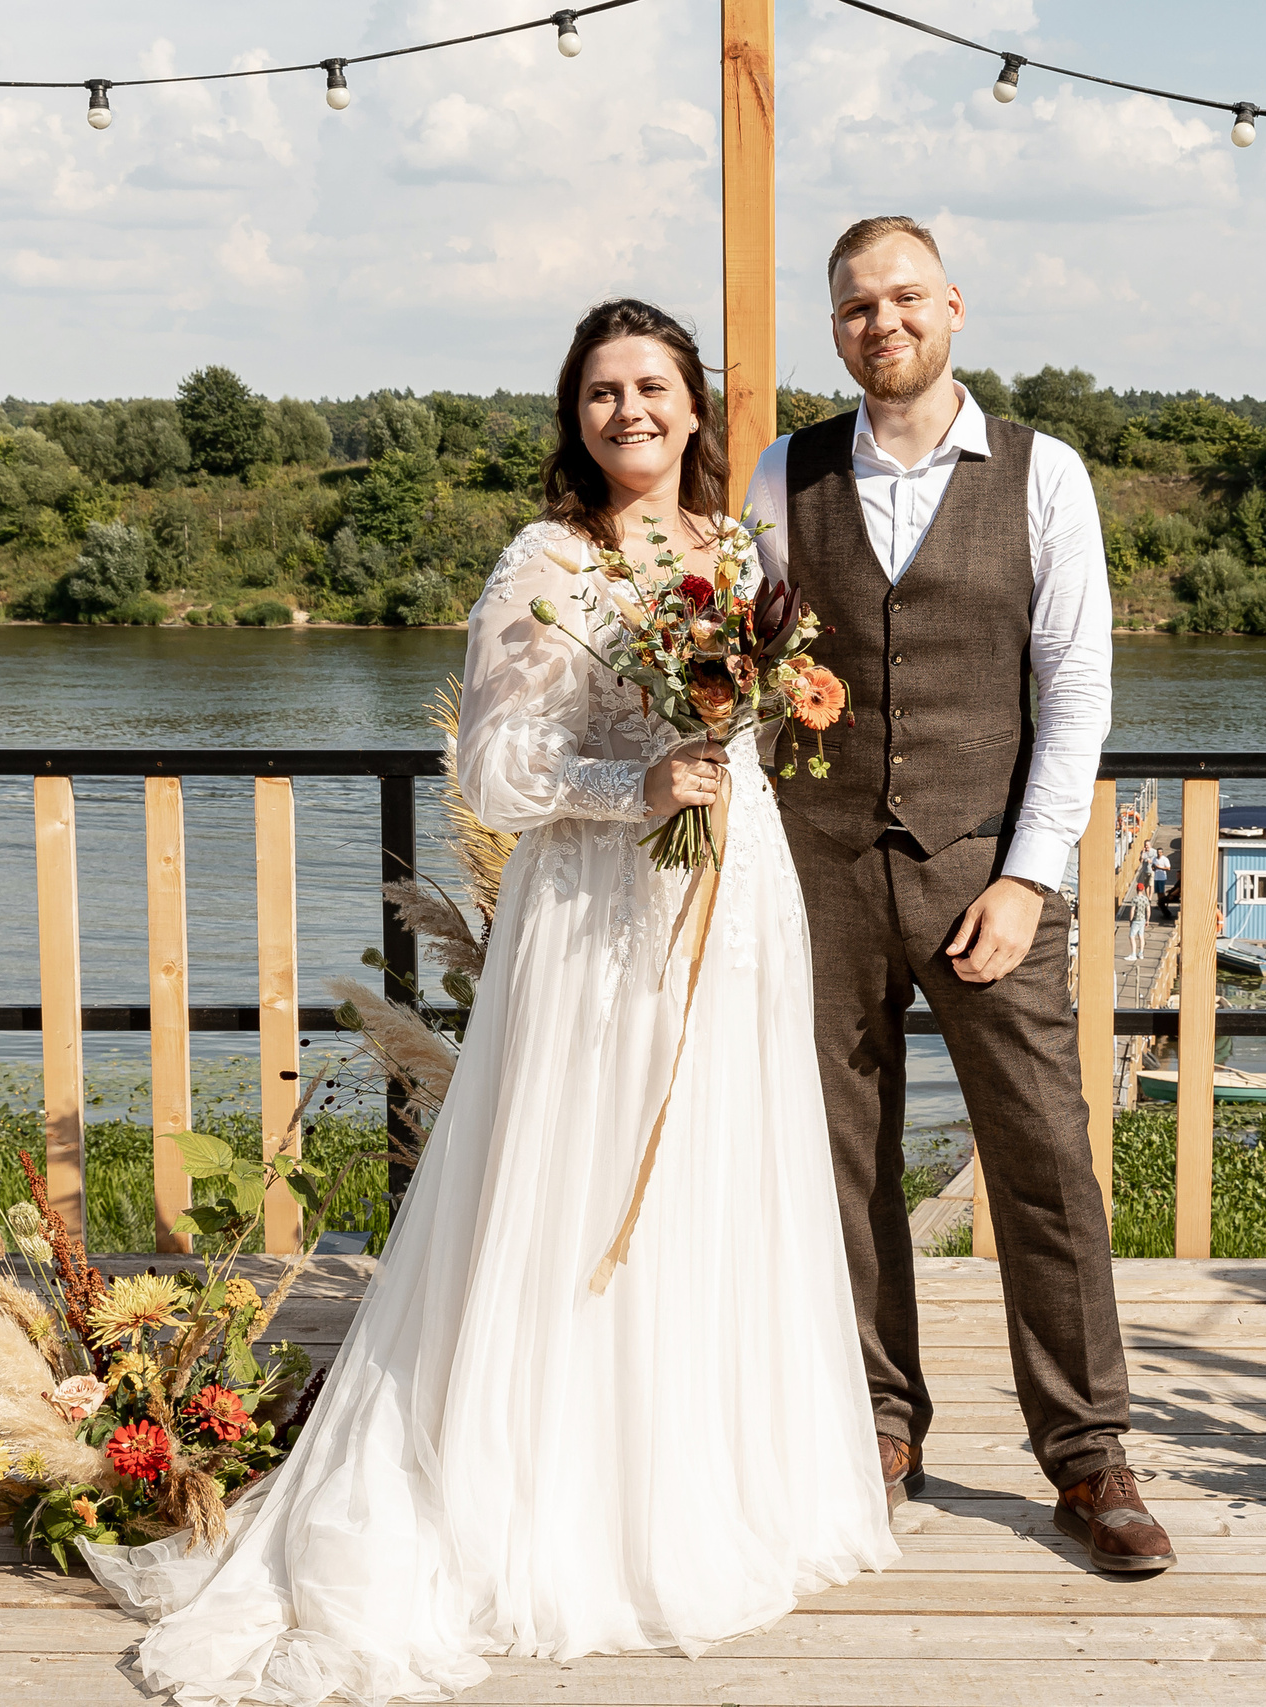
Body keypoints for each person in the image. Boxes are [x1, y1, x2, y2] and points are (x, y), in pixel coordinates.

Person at [86, 299, 897, 1703]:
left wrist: (753, 730)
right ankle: (565, 1507)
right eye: (600, 392)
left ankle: (706, 1488)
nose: (628, 411)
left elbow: (761, 714)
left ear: (697, 407)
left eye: (651, 386)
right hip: (594, 912)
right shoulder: (545, 561)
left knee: (719, 1176)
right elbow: (492, 771)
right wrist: (629, 787)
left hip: (733, 899)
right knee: (581, 1187)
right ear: (573, 418)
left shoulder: (740, 552)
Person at [745, 215, 1176, 1575]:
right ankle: (878, 1421)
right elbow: (737, 662)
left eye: (909, 298)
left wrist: (1032, 878)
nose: (887, 322)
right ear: (836, 330)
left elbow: (1080, 691)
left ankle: (1087, 1453)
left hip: (981, 873)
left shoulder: (1047, 477)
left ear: (954, 310)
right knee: (841, 1160)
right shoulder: (780, 474)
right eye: (860, 305)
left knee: (1045, 1156)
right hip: (811, 869)